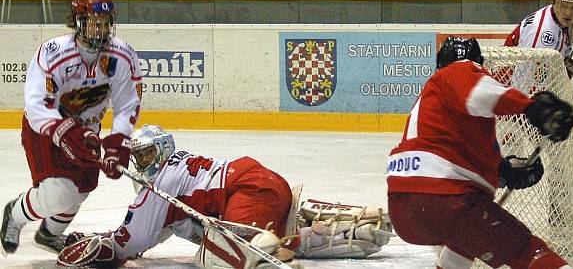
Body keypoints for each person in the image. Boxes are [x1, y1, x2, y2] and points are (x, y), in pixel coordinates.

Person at [56, 124, 394, 268]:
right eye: (137, 158)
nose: (141, 164)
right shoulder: (176, 171)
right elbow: (150, 236)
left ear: (162, 150)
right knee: (240, 241)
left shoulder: (162, 182)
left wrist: (105, 246)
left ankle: (288, 241)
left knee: (220, 257)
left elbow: (132, 238)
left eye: (145, 155)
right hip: (260, 183)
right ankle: (348, 227)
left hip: (247, 190)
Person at [386, 36, 573, 269]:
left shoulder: (435, 102)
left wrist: (504, 172)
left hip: (403, 209)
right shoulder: (459, 71)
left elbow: (459, 152)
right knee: (528, 252)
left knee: (464, 244)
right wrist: (531, 107)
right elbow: (478, 92)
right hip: (445, 199)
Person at [0, 0, 143, 255]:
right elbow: (36, 103)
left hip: (87, 130)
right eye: (92, 23)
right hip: (45, 130)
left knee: (82, 189)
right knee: (58, 193)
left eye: (104, 23)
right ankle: (15, 214)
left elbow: (127, 104)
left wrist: (117, 142)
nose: (99, 30)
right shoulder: (55, 52)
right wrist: (63, 131)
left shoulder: (122, 55)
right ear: (77, 22)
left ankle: (48, 234)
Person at [504, 0, 573, 79]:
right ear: (554, 2)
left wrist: (563, 64)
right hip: (511, 80)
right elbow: (523, 79)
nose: (568, 13)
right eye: (563, 6)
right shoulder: (540, 32)